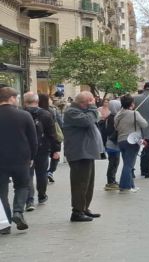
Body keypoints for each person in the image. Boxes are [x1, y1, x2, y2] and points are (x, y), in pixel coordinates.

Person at [63, 91, 104, 222]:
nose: (92, 104)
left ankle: (84, 208)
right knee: (80, 183)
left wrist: (92, 110)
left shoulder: (82, 111)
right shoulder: (71, 112)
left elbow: (92, 119)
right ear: (83, 103)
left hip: (86, 152)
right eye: (90, 102)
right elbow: (87, 121)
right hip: (78, 153)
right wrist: (93, 109)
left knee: (88, 183)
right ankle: (77, 211)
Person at [0, 86, 36, 232]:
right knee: (22, 186)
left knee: (1, 192)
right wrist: (32, 156)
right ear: (12, 98)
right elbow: (33, 140)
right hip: (21, 158)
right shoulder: (24, 115)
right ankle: (18, 211)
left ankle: (4, 223)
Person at [23, 92, 59, 211]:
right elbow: (52, 133)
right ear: (37, 101)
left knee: (28, 174)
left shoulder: (21, 113)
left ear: (24, 101)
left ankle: (29, 200)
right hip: (42, 147)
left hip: (26, 149)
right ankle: (42, 195)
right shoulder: (46, 114)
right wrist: (56, 149)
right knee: (42, 172)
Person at [114, 95, 147, 193]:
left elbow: (115, 127)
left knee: (127, 164)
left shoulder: (118, 114)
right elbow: (144, 124)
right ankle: (124, 186)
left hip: (121, 141)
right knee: (129, 165)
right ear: (131, 103)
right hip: (132, 140)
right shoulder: (135, 113)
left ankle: (131, 185)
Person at [101, 98, 122, 191]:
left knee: (113, 162)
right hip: (113, 144)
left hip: (110, 144)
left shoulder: (110, 116)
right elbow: (111, 131)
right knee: (113, 163)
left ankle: (112, 180)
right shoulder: (114, 118)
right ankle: (110, 182)